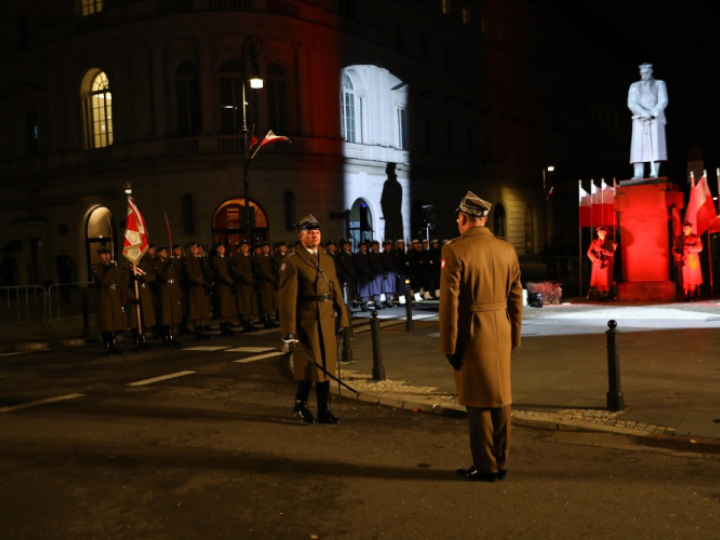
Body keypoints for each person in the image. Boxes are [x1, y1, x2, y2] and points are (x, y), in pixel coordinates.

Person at [439, 191, 523, 482]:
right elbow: (516, 297)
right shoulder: (506, 248)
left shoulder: (454, 250)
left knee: (477, 401)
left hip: (471, 330)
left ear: (463, 219)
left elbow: (449, 303)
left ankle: (485, 466)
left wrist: (449, 346)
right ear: (485, 219)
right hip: (501, 327)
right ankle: (500, 461)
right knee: (501, 398)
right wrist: (514, 336)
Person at [278, 214, 350, 424]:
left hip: (326, 318)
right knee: (311, 365)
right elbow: (286, 299)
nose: (314, 236)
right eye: (310, 232)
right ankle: (303, 405)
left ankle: (322, 409)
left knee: (326, 364)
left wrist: (343, 318)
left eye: (317, 232)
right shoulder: (292, 262)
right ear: (301, 236)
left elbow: (335, 289)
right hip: (306, 321)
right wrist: (288, 331)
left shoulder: (327, 259)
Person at [628, 63, 668, 180]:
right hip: (639, 119)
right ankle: (638, 173)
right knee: (638, 146)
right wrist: (643, 112)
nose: (645, 74)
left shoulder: (659, 84)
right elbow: (631, 102)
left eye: (647, 71)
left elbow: (663, 99)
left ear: (651, 71)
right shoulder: (634, 86)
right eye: (642, 72)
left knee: (655, 145)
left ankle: (654, 172)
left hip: (655, 118)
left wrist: (654, 112)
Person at [91, 247, 129, 355]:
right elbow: (104, 282)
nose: (106, 256)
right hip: (105, 298)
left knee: (115, 323)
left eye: (107, 254)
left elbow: (119, 282)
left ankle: (114, 345)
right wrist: (110, 269)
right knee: (106, 324)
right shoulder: (97, 268)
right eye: (103, 254)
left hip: (115, 297)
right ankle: (107, 347)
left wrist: (123, 298)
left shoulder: (113, 268)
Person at [155, 245, 183, 346]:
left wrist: (178, 292)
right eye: (163, 252)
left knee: (172, 314)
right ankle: (166, 337)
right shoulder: (158, 263)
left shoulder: (169, 263)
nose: (165, 253)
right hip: (165, 290)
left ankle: (171, 336)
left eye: (166, 251)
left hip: (172, 289)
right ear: (158, 253)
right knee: (166, 315)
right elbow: (163, 277)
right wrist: (167, 266)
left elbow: (175, 277)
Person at [185, 242, 213, 340]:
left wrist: (209, 281)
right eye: (192, 248)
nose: (194, 249)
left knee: (204, 310)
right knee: (196, 310)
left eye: (196, 248)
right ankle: (197, 332)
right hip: (196, 287)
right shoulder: (189, 260)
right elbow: (191, 274)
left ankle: (202, 330)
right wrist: (202, 282)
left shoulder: (201, 259)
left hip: (203, 287)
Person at [210, 242, 237, 336]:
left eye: (223, 247)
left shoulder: (225, 258)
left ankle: (227, 326)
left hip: (227, 285)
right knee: (223, 308)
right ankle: (223, 328)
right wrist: (231, 282)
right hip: (222, 286)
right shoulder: (216, 259)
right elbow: (221, 274)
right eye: (219, 247)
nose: (222, 249)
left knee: (228, 307)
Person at [232, 240, 259, 333]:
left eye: (246, 246)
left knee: (251, 304)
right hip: (244, 284)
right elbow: (239, 272)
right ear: (239, 248)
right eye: (243, 246)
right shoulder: (238, 258)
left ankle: (250, 323)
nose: (245, 248)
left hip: (251, 283)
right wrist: (249, 279)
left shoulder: (250, 257)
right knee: (245, 305)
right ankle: (246, 324)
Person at [673, 222, 703, 301]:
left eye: (686, 227)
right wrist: (678, 255)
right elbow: (674, 249)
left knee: (692, 279)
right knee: (684, 280)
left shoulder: (695, 237)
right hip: (683, 261)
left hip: (692, 261)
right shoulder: (679, 238)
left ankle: (691, 294)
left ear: (690, 228)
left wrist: (688, 247)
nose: (684, 229)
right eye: (683, 227)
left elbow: (699, 247)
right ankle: (685, 294)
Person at [586, 226, 617, 301]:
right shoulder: (594, 242)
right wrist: (595, 259)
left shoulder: (610, 242)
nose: (600, 233)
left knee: (606, 279)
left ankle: (607, 294)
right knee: (598, 279)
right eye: (599, 232)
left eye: (602, 232)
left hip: (606, 263)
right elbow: (589, 252)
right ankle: (600, 293)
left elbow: (611, 253)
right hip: (597, 263)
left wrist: (602, 250)